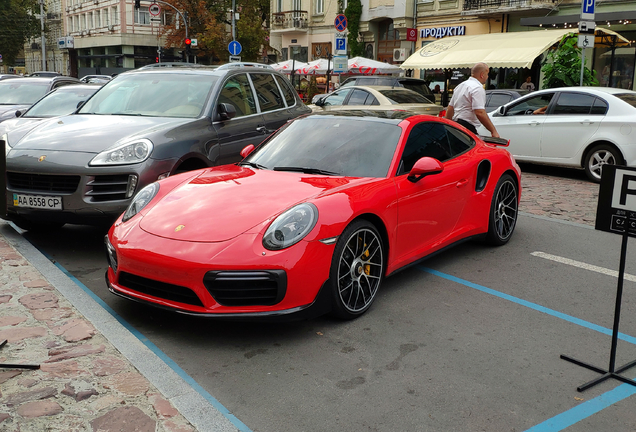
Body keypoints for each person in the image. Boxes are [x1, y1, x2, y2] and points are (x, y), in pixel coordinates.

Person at [444, 62, 500, 138]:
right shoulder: (477, 88)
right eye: (487, 74)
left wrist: (448, 127)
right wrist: (493, 131)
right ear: (482, 75)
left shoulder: (460, 86)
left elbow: (450, 108)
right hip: (467, 127)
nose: (487, 77)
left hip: (456, 125)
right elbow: (479, 112)